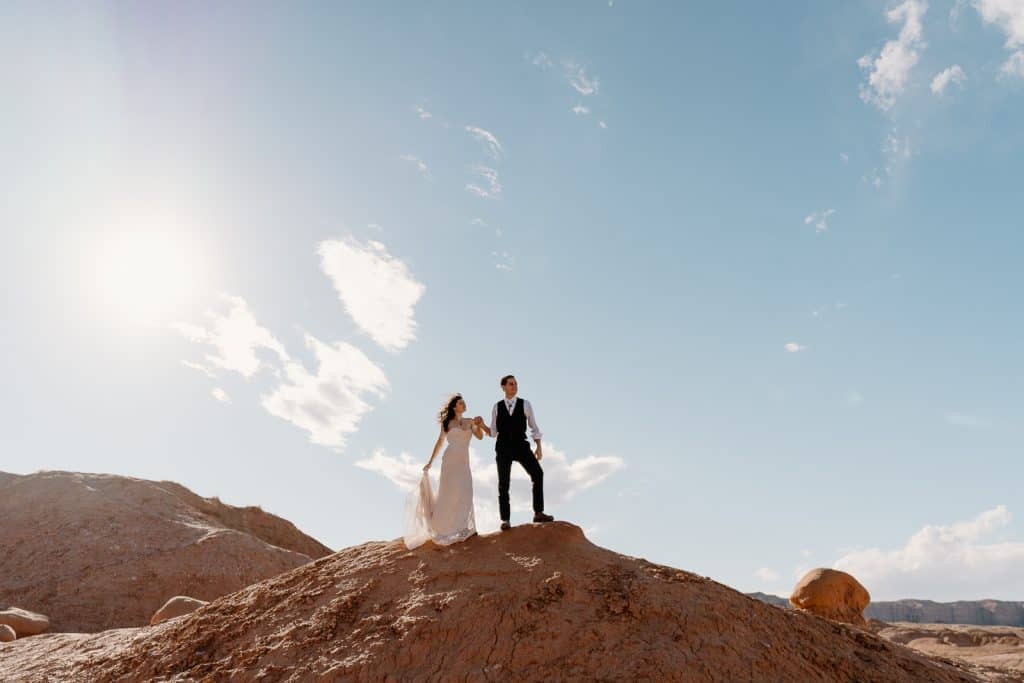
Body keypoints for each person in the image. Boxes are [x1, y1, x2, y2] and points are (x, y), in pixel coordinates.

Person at [475, 375, 554, 530]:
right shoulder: (497, 407)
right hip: (503, 448)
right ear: (503, 387)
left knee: (537, 474)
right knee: (503, 484)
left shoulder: (525, 404)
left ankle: (538, 513)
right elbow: (493, 432)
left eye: (516, 384)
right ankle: (505, 520)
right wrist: (482, 425)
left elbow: (534, 427)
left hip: (521, 446)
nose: (514, 386)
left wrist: (538, 446)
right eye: (511, 384)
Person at [403, 394, 482, 549]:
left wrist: (478, 425)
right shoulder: (447, 423)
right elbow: (440, 442)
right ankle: (443, 529)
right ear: (454, 407)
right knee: (448, 494)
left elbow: (479, 437)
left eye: (464, 402)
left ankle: (464, 528)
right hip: (449, 461)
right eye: (461, 403)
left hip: (464, 462)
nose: (464, 404)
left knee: (465, 491)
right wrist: (430, 462)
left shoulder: (469, 421)